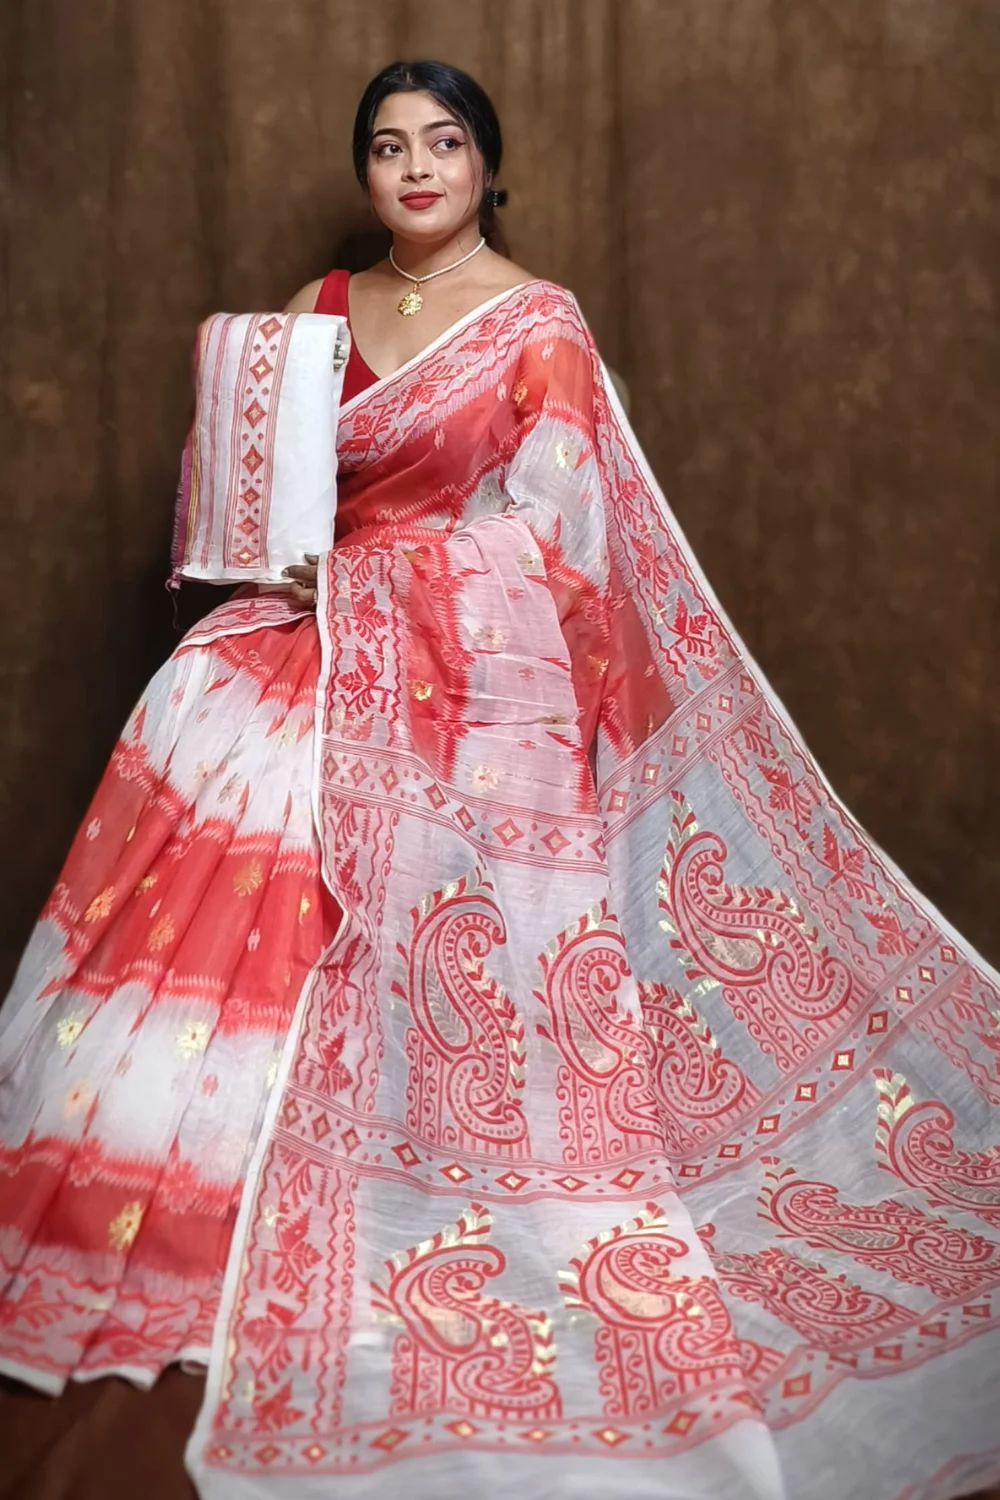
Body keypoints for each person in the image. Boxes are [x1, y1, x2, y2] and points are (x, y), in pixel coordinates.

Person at [1, 58, 998, 1500]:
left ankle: (388, 1197)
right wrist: (270, 553)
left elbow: (564, 554)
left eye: (444, 142)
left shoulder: (536, 326)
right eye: (389, 147)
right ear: (365, 174)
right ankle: (192, 1215)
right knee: (193, 783)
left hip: (455, 688)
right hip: (294, 642)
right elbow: (241, 500)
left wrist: (386, 587)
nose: (415, 168)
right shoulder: (314, 317)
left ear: (487, 163)